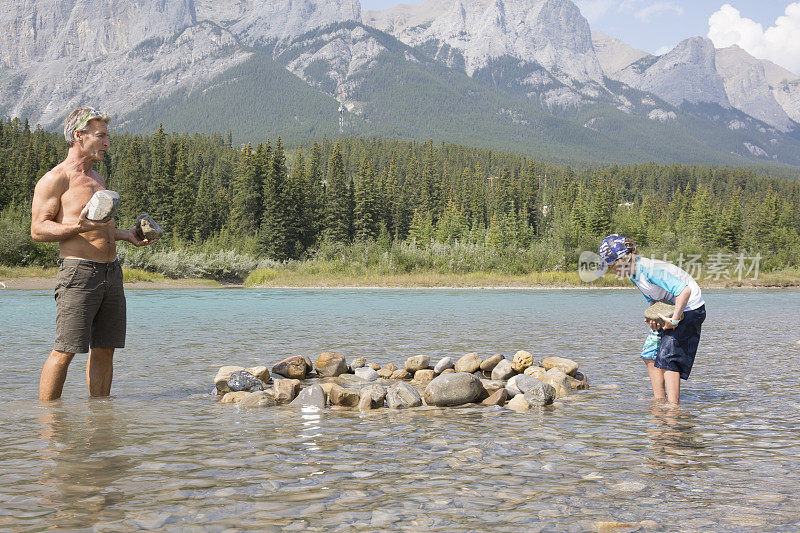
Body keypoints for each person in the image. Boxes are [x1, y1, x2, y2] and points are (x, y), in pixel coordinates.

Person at [31, 106, 157, 401]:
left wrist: (126, 235)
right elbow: (38, 230)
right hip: (79, 272)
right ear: (79, 136)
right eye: (101, 136)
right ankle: (49, 425)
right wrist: (78, 226)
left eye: (107, 136)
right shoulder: (55, 179)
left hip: (111, 272)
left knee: (105, 348)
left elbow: (98, 229)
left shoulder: (97, 178)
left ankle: (100, 420)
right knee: (65, 349)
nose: (107, 142)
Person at [598, 234, 706, 407]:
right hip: (670, 309)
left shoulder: (649, 270)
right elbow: (655, 301)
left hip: (690, 308)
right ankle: (659, 400)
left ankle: (673, 406)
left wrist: (675, 321)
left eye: (611, 266)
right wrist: (654, 320)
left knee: (669, 357)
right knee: (649, 354)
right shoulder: (633, 275)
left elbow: (684, 291)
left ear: (623, 259)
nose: (612, 271)